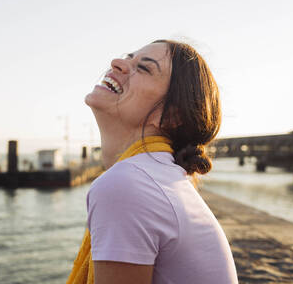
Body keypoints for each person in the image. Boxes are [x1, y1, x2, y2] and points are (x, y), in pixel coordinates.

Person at [66, 40, 238, 284]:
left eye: (144, 68)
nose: (117, 62)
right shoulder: (157, 178)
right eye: (128, 57)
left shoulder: (127, 184)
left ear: (171, 115)